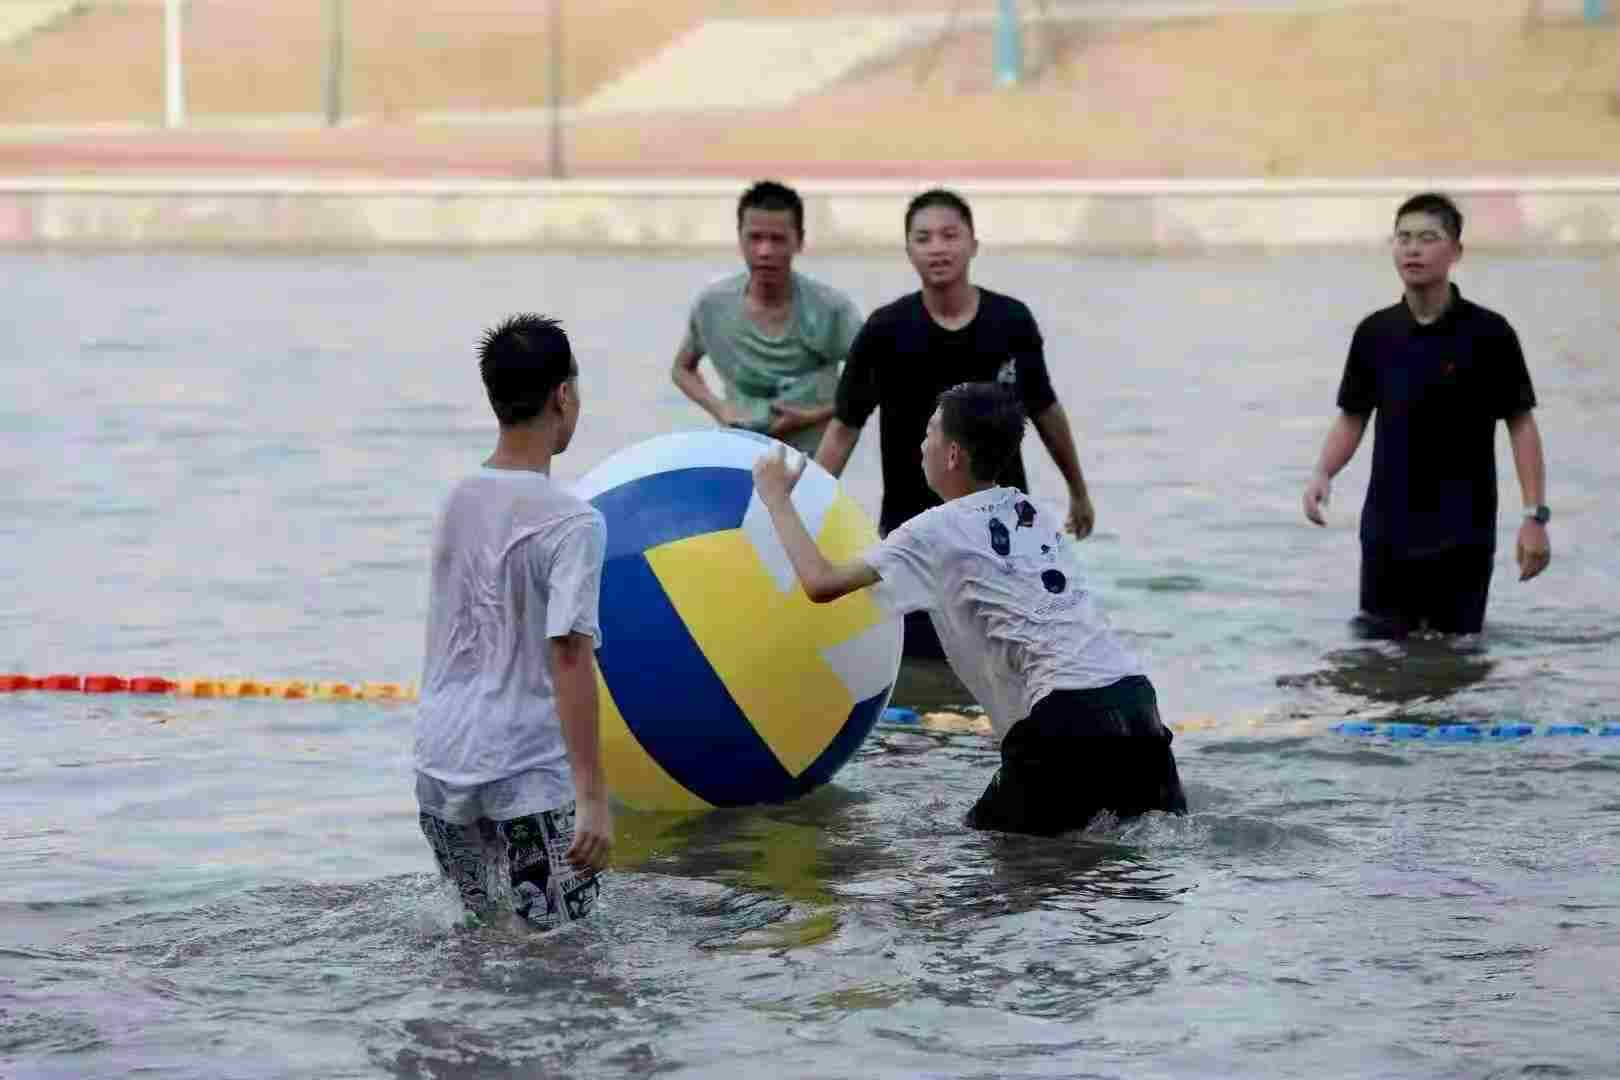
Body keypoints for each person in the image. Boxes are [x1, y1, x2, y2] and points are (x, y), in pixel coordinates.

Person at [755, 382, 1187, 837]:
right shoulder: (1033, 511)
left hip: (1066, 719)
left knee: (994, 856)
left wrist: (776, 498)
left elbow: (821, 583)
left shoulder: (930, 531)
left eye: (930, 433)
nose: (922, 446)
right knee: (1132, 861)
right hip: (1136, 704)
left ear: (953, 454)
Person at [813, 188, 1096, 661]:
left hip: (1004, 534)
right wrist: (807, 510)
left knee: (1014, 660)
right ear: (908, 250)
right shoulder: (885, 330)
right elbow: (844, 429)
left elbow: (1045, 409)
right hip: (913, 533)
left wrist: (1078, 491)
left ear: (973, 244)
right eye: (923, 238)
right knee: (917, 667)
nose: (938, 248)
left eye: (950, 235)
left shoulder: (1011, 321)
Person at [414, 313, 613, 929]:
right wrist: (592, 796)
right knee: (562, 949)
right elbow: (570, 653)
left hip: (439, 761)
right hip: (525, 769)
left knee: (478, 940)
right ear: (563, 395)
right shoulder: (573, 521)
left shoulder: (456, 499)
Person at [1303, 192, 1551, 638]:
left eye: (1427, 238)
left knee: (1458, 658)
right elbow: (1353, 416)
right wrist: (1323, 472)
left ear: (1456, 251)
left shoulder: (1489, 334)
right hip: (1387, 532)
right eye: (1403, 238)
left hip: (1464, 534)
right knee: (1378, 657)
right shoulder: (1375, 333)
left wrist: (1535, 516)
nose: (1412, 249)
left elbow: (1521, 424)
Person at [671, 180, 864, 454]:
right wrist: (720, 409)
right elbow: (681, 369)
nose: (765, 251)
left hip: (812, 462)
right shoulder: (712, 307)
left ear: (799, 241)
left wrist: (813, 415)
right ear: (740, 239)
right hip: (741, 452)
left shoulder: (831, 310)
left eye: (777, 239)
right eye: (755, 238)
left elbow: (878, 379)